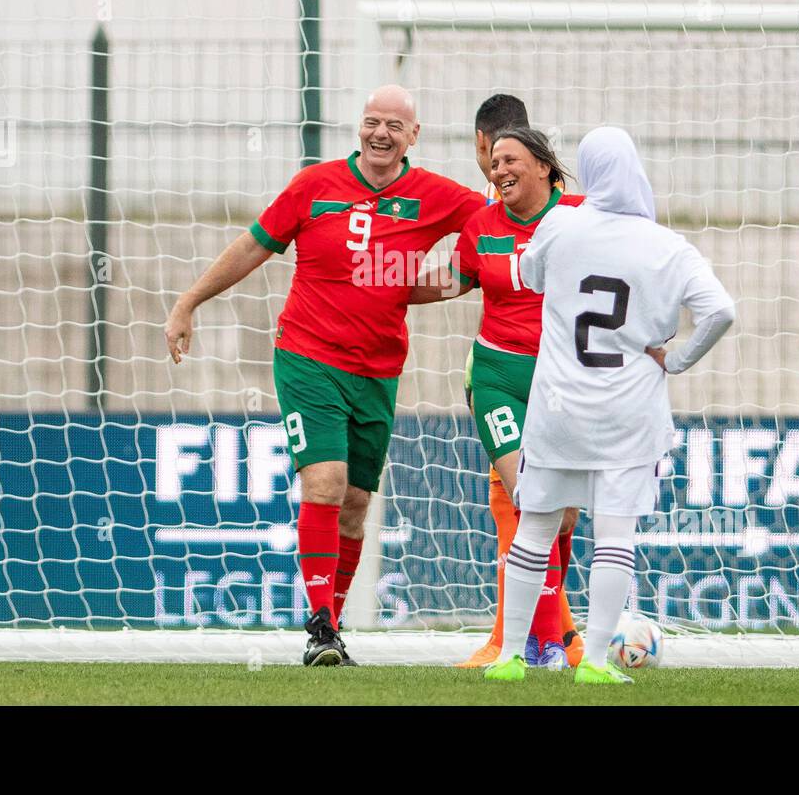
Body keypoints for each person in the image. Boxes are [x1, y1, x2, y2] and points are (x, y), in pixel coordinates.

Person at [165, 84, 486, 666]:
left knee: (358, 502)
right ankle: (320, 630)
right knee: (326, 484)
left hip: (379, 370)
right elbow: (252, 246)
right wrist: (189, 301)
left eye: (394, 124)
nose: (381, 133)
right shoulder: (314, 186)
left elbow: (492, 230)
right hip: (307, 357)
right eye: (371, 122)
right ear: (358, 128)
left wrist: (442, 284)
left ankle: (331, 629)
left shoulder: (436, 196)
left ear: (414, 136)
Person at [483, 126, 735, 685]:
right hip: (627, 416)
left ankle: (509, 659)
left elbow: (526, 276)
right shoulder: (668, 246)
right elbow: (721, 311)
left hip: (557, 411)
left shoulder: (562, 224)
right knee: (616, 535)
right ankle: (595, 663)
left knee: (534, 531)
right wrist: (676, 359)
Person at [413, 123, 584, 669]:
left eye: (510, 160)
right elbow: (454, 279)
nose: (499, 170)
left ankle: (552, 634)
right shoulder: (482, 224)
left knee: (562, 520)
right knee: (531, 498)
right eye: (494, 163)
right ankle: (545, 647)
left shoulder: (582, 216)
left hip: (563, 382)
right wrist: (377, 282)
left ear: (542, 165)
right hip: (496, 377)